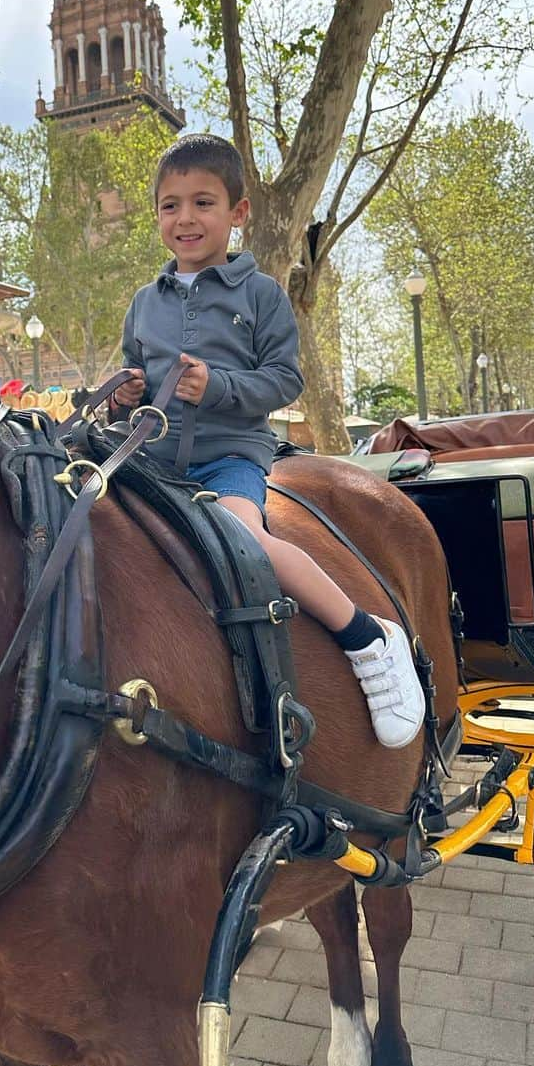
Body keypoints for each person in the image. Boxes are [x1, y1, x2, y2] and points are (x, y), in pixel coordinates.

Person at [111, 133, 425, 748]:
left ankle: (366, 639)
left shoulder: (262, 295)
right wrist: (124, 390)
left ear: (239, 212)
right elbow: (133, 370)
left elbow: (284, 379)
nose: (186, 218)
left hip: (230, 458)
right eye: (170, 206)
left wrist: (219, 387)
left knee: (242, 536)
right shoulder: (144, 303)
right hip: (151, 459)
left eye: (203, 203)